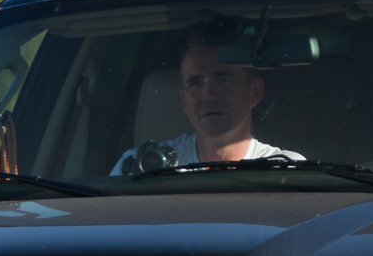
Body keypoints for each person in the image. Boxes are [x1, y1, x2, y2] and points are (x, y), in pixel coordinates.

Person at [112, 40, 304, 174]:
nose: (208, 95)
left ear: (255, 92)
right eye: (195, 83)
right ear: (184, 101)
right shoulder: (137, 168)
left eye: (223, 80)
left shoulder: (286, 170)